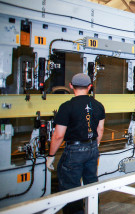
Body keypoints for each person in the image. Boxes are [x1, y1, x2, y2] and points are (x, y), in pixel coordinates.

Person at [46, 73, 105, 214]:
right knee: (92, 184)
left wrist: (51, 155)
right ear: (90, 87)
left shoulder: (66, 107)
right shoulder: (98, 105)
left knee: (70, 189)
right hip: (92, 148)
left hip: (74, 151)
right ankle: (93, 210)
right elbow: (100, 129)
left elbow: (58, 135)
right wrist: (94, 146)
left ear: (71, 86)